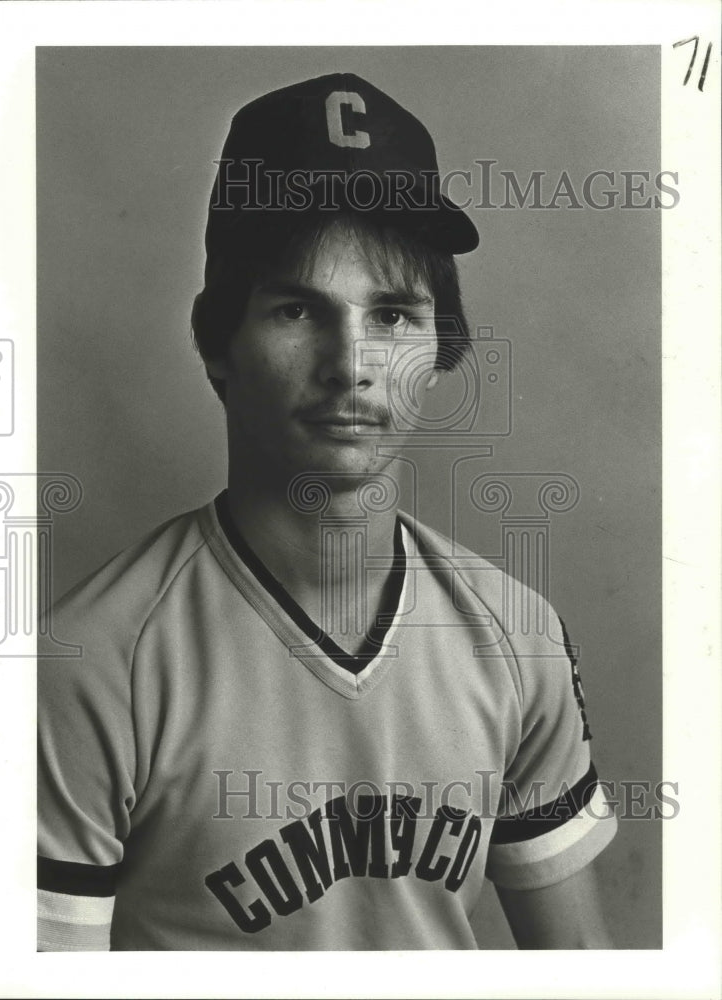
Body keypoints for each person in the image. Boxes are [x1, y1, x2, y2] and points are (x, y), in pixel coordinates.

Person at [37, 72, 617, 951]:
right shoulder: (86, 666)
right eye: (298, 308)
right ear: (215, 341)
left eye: (392, 313)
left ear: (441, 346)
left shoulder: (517, 634)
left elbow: (582, 971)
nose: (351, 363)